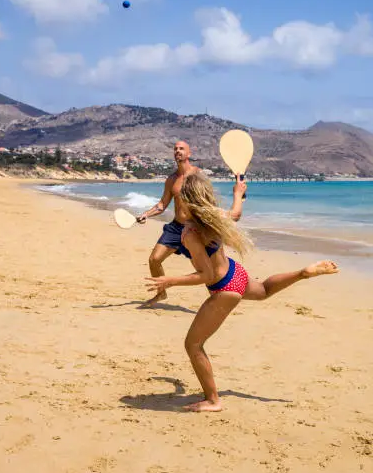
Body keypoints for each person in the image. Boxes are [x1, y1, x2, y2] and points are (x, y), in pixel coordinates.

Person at [145, 173, 339, 413]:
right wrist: (238, 194)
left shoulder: (191, 234)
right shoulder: (215, 217)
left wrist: (170, 280)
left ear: (185, 199)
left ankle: (213, 400)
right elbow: (235, 213)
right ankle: (302, 273)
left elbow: (206, 275)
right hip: (235, 274)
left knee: (193, 345)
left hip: (224, 289)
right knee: (265, 290)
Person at [137, 141, 246, 307]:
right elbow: (162, 204)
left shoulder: (198, 175)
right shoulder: (171, 179)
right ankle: (161, 293)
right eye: (175, 149)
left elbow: (207, 202)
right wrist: (146, 214)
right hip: (176, 228)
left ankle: (219, 297)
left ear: (189, 154)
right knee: (154, 259)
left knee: (205, 268)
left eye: (181, 149)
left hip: (195, 229)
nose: (177, 151)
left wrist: (214, 221)